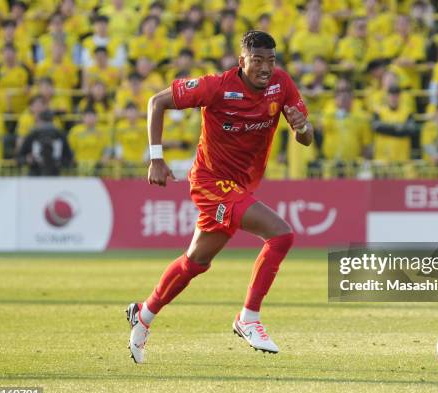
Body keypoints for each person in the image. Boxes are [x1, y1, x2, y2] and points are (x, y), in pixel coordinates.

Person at [126, 31, 312, 363]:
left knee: (195, 262)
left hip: (240, 187)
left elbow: (307, 139)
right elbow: (157, 102)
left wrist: (303, 129)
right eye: (257, 61)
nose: (266, 68)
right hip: (211, 183)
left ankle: (144, 314)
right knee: (281, 234)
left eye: (271, 61)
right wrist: (156, 158)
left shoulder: (282, 85)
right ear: (242, 61)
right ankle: (248, 318)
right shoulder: (216, 86)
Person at [17, 110, 73, 176]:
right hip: (35, 173)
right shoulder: (33, 135)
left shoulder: (59, 135)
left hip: (54, 174)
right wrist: (27, 159)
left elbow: (69, 158)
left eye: (49, 122)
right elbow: (19, 158)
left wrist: (60, 162)